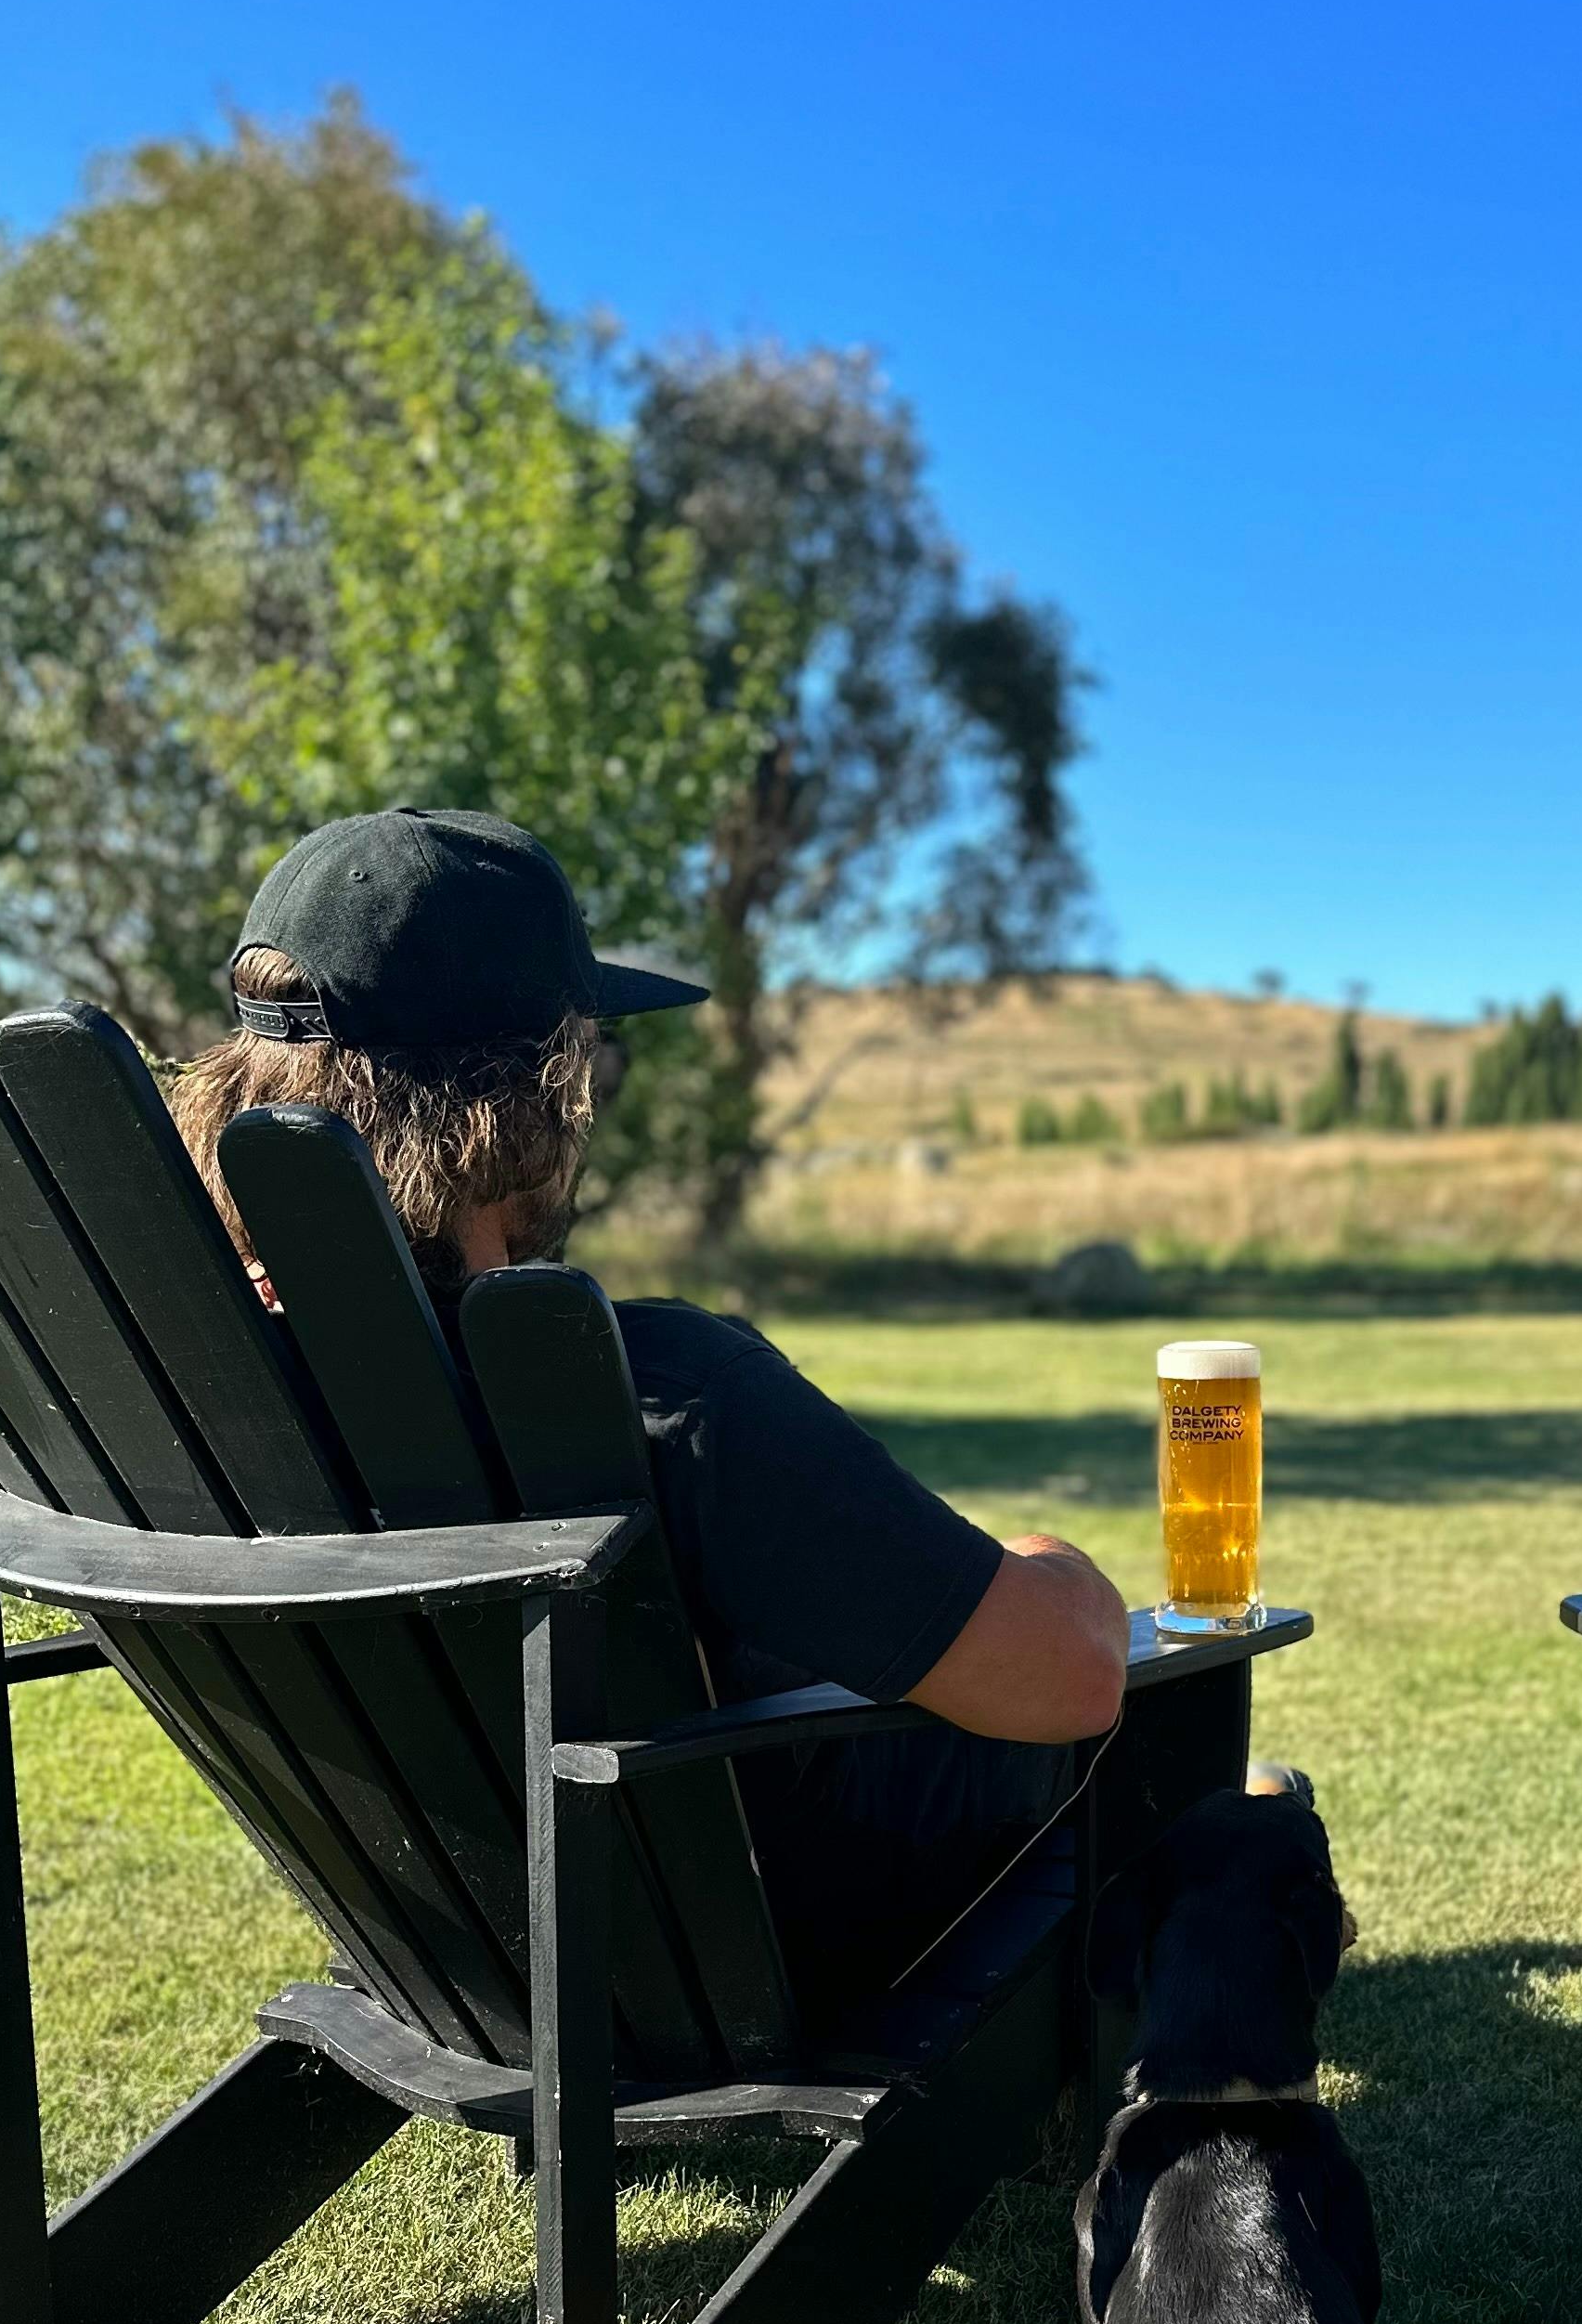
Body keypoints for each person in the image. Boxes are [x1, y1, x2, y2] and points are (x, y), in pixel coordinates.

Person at [168, 804, 1131, 2032]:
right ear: (529, 1101)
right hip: (741, 1962)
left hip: (448, 1954)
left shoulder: (221, 1391)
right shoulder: (664, 1390)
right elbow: (1071, 1679)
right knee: (1204, 1772)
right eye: (586, 1065)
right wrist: (1052, 1566)